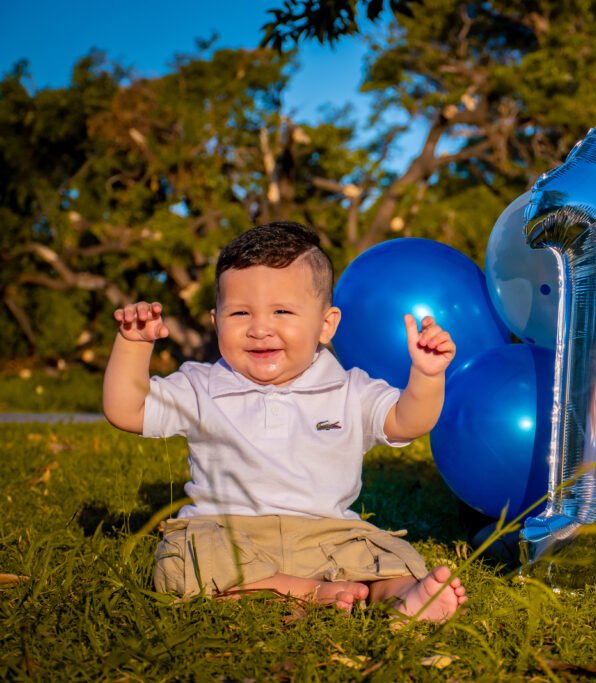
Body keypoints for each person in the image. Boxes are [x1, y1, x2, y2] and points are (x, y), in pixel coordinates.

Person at [102, 221, 467, 621]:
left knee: (389, 554)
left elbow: (407, 422)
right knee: (185, 556)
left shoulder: (349, 389)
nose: (260, 329)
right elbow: (127, 410)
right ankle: (305, 591)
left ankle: (404, 599)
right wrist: (133, 345)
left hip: (329, 535)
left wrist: (427, 375)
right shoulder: (200, 386)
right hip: (229, 533)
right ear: (216, 321)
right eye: (240, 313)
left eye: (282, 311)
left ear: (326, 325)